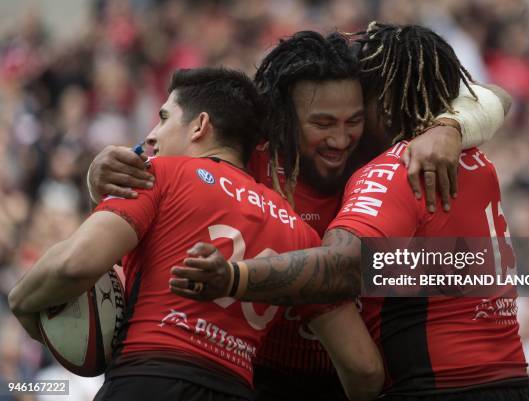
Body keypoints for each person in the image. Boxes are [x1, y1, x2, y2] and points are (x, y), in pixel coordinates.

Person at [87, 30, 510, 401]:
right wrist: (99, 173)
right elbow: (154, 165)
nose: (340, 138)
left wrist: (449, 125)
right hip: (251, 375)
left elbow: (498, 96)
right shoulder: (245, 155)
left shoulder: (381, 157)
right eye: (322, 123)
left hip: (347, 380)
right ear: (282, 118)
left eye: (353, 121)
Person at [8, 67, 383, 401]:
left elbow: (76, 264)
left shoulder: (160, 173)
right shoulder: (301, 233)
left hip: (148, 379)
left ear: (200, 125)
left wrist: (21, 300)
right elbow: (365, 370)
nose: (152, 135)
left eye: (164, 117)